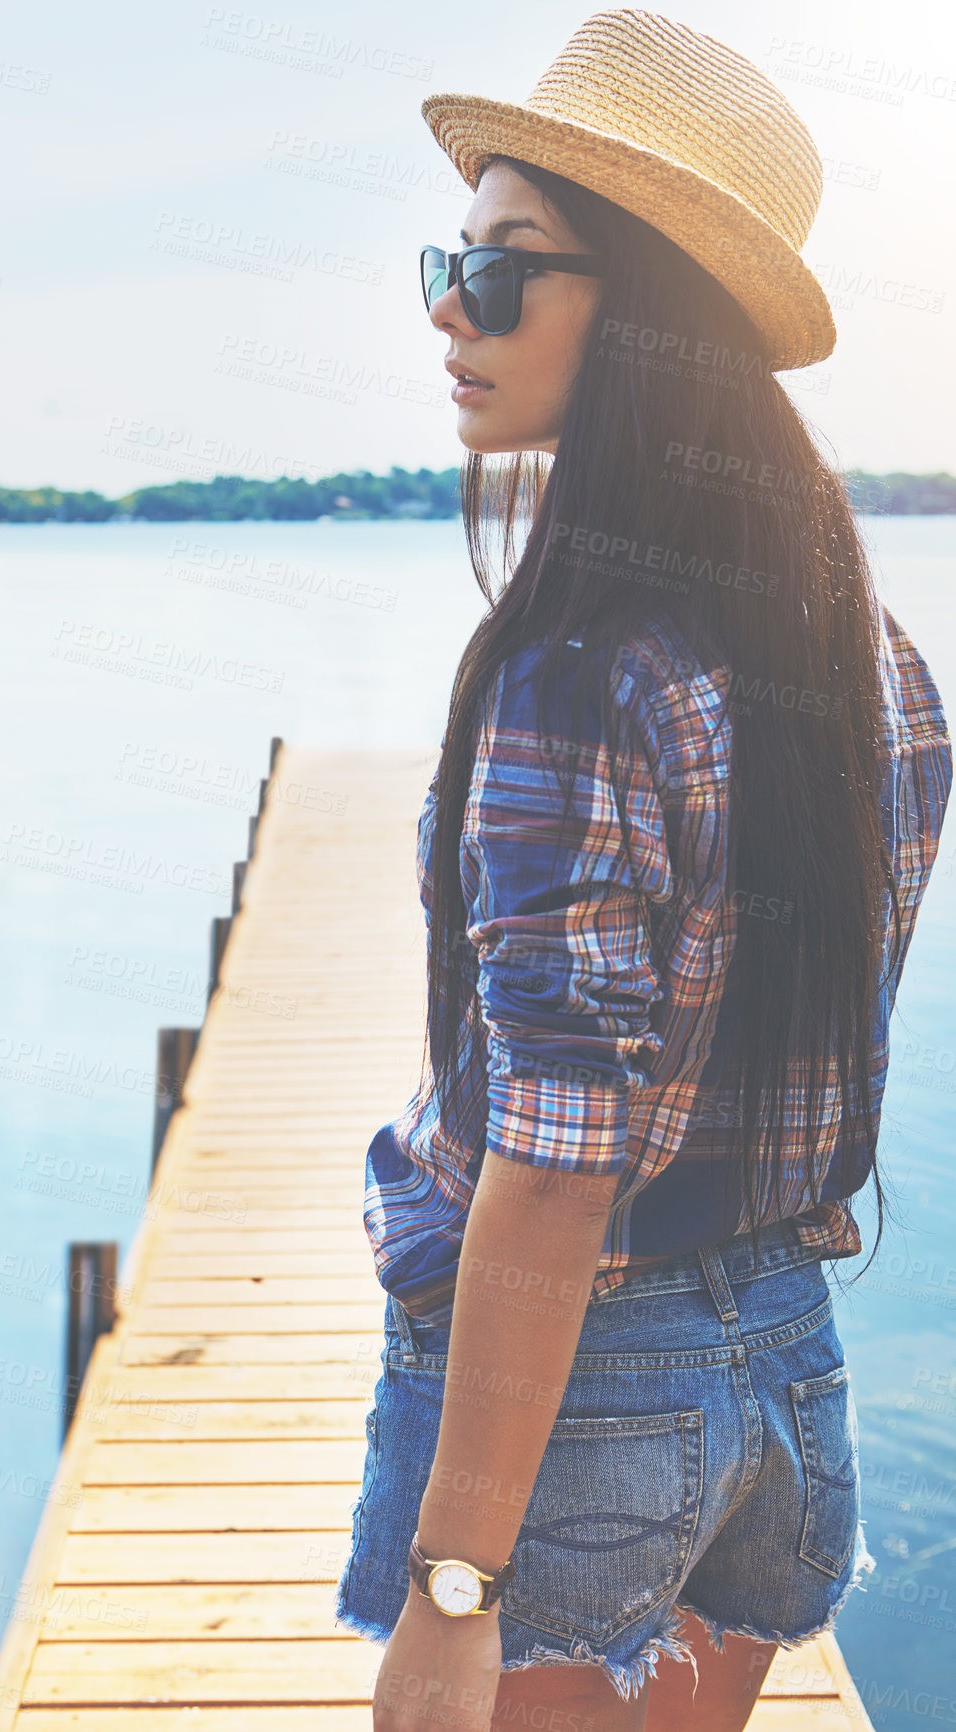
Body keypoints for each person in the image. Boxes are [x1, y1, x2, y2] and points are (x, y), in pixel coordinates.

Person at [333, 10, 953, 1732]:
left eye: (505, 270)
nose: (451, 308)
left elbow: (555, 1166)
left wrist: (456, 1586)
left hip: (578, 1414)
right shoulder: (870, 659)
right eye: (453, 261)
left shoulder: (579, 672)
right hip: (782, 1373)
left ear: (650, 318)